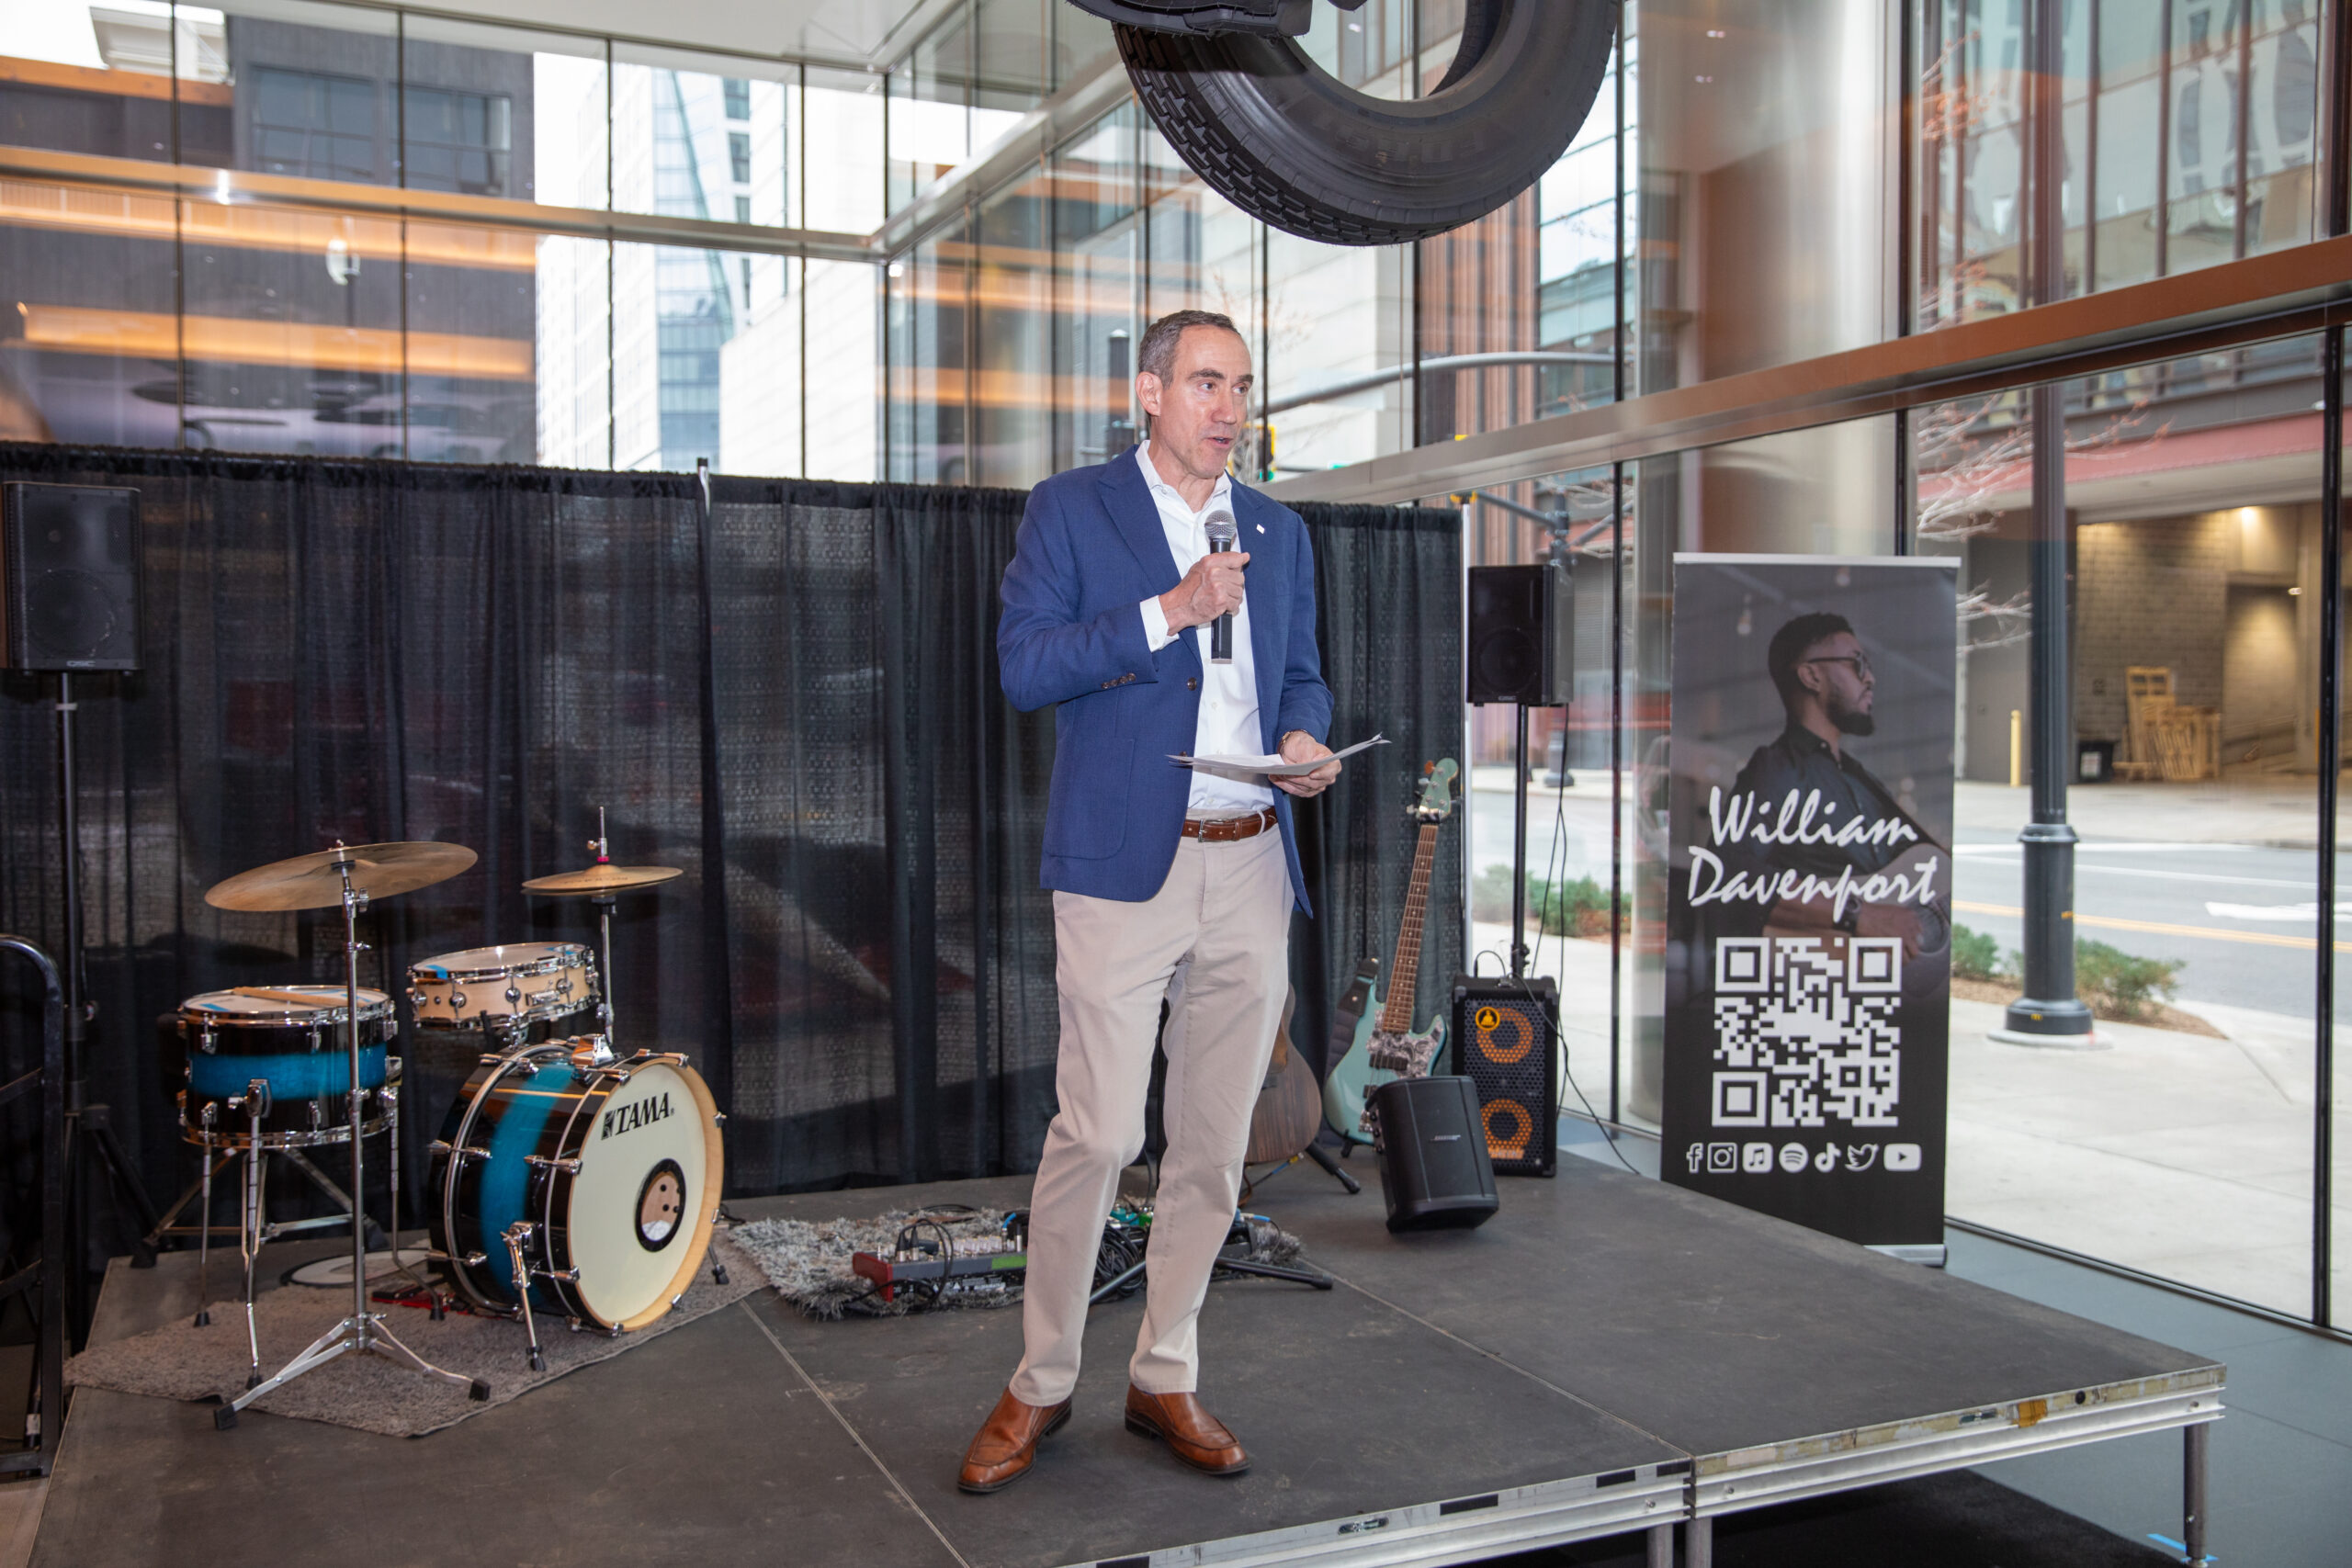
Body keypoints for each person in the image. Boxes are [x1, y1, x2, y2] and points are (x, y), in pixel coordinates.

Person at [959, 310, 1340, 1494]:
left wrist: (1302, 740)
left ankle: (1164, 1370)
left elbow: (1300, 675)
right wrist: (1168, 611)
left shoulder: (1277, 529)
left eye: (1242, 387)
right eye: (1207, 383)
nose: (1230, 408)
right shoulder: (1071, 509)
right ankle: (1040, 1382)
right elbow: (1026, 668)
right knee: (1101, 1135)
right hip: (1125, 866)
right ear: (1149, 391)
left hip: (1251, 859)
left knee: (1216, 1143)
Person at [1723, 612, 1941, 955]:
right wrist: (1857, 914)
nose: (1870, 678)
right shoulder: (1779, 768)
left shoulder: (1860, 780)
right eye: (1857, 664)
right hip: (1819, 976)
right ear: (1811, 676)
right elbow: (1731, 873)